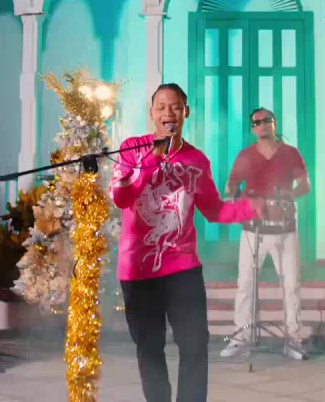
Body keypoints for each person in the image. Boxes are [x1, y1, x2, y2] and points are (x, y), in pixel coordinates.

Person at [110, 83, 263, 402]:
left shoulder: (197, 160)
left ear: (186, 112)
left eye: (176, 107)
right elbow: (121, 198)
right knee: (149, 347)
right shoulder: (131, 149)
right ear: (152, 113)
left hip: (182, 269)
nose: (169, 113)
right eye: (161, 107)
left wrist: (254, 208)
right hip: (138, 270)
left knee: (195, 346)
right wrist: (152, 158)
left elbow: (214, 210)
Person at [219, 107, 311, 361]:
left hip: (285, 229)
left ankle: (293, 340)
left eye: (265, 120)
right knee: (245, 284)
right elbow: (230, 187)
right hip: (253, 229)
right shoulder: (245, 155)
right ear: (252, 129)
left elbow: (305, 185)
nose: (261, 124)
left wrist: (289, 195)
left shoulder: (290, 153)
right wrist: (246, 199)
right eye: (256, 122)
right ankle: (241, 337)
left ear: (274, 123)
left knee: (291, 285)